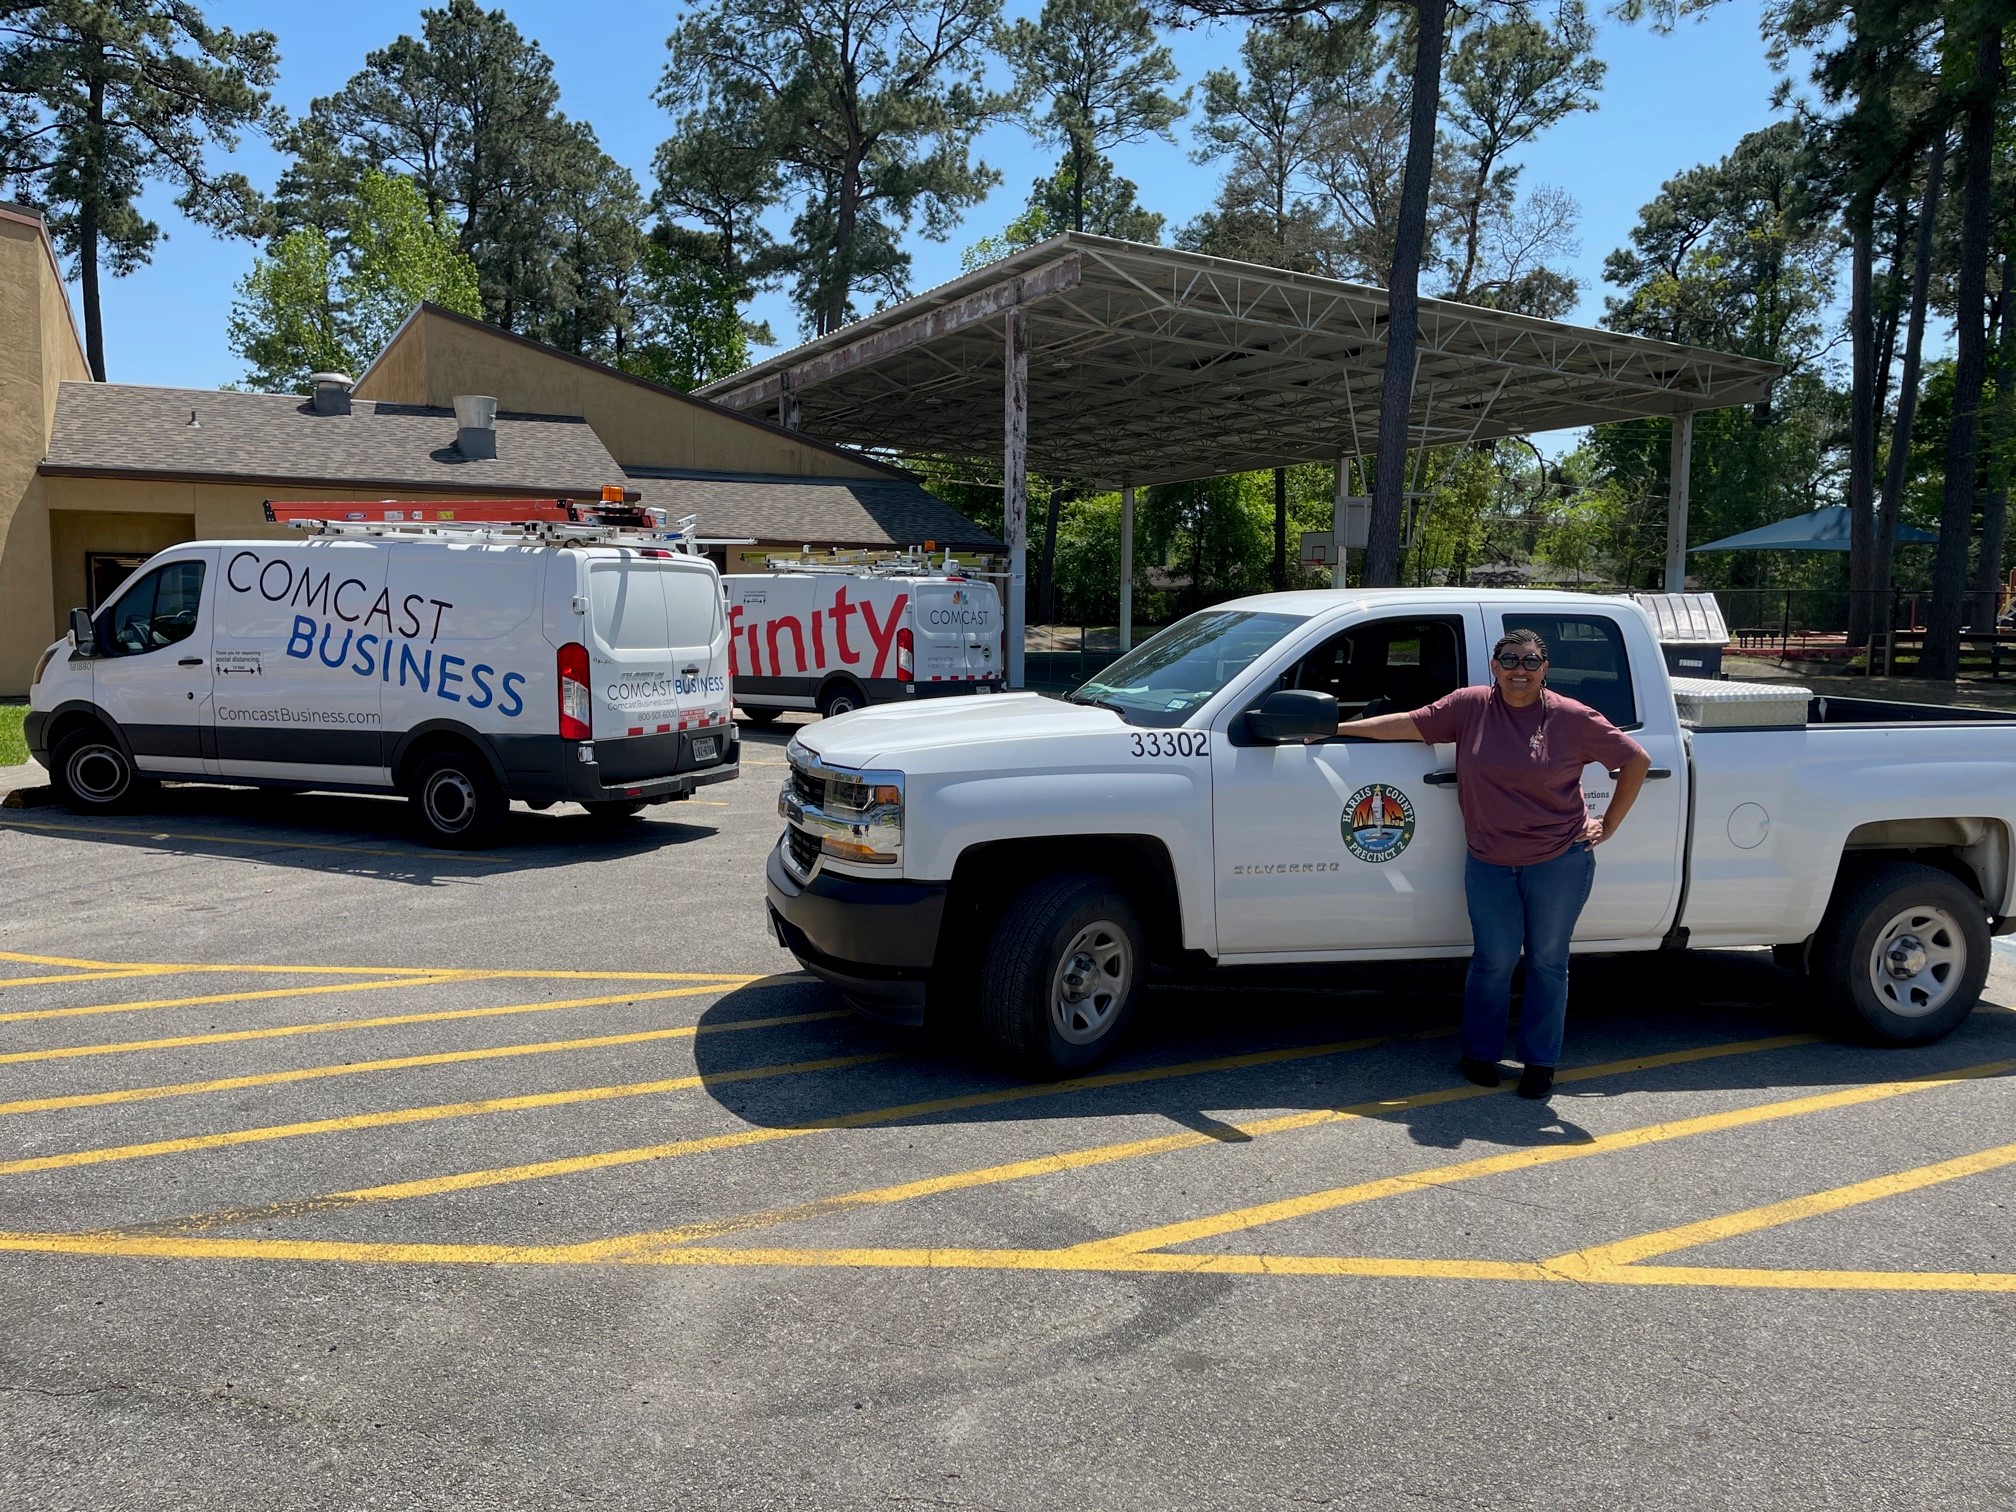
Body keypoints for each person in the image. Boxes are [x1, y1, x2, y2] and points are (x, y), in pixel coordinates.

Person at [1346, 629, 1652, 1099]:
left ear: (1545, 669)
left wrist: (1608, 824)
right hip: (1488, 861)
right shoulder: (1471, 706)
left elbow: (1635, 759)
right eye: (1509, 660)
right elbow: (1409, 723)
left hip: (1559, 861)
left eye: (1531, 661)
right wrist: (1338, 728)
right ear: (1494, 666)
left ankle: (1539, 1063)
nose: (1519, 670)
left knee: (1548, 962)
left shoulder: (1571, 717)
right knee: (1495, 960)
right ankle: (1481, 1053)